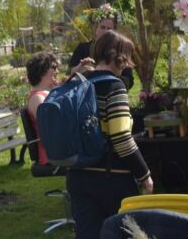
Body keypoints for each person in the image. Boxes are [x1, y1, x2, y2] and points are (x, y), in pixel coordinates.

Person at [67, 30, 153, 239]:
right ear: (118, 57)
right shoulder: (114, 86)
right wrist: (144, 174)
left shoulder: (76, 84)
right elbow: (122, 138)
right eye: (126, 57)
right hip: (112, 177)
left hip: (77, 176)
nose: (127, 63)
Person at [69, 10, 134, 90]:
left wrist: (102, 76)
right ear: (96, 28)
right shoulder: (83, 48)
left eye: (109, 28)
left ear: (114, 31)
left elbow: (128, 81)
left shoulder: (120, 50)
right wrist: (81, 68)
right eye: (102, 27)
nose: (105, 31)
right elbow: (70, 75)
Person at [25, 51, 59, 165]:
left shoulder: (47, 93)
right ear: (42, 71)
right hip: (52, 153)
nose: (57, 71)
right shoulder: (37, 98)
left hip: (60, 148)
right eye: (54, 67)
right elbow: (51, 127)